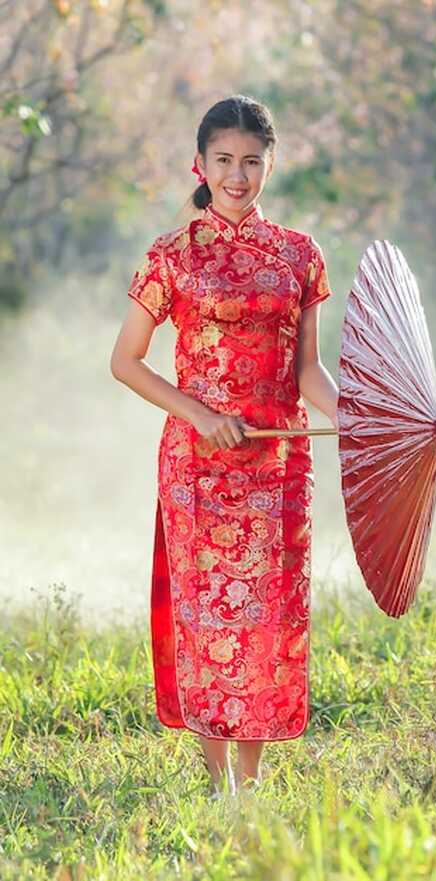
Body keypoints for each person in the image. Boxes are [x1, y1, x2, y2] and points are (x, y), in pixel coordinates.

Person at [110, 94, 339, 798]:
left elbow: (307, 371)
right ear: (200, 164)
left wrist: (361, 417)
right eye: (223, 161)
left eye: (250, 162)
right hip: (197, 466)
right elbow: (126, 361)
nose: (236, 176)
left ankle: (252, 779)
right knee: (207, 614)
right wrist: (198, 413)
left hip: (277, 461)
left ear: (270, 164)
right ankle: (218, 786)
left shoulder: (300, 255)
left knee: (269, 617)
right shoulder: (170, 256)